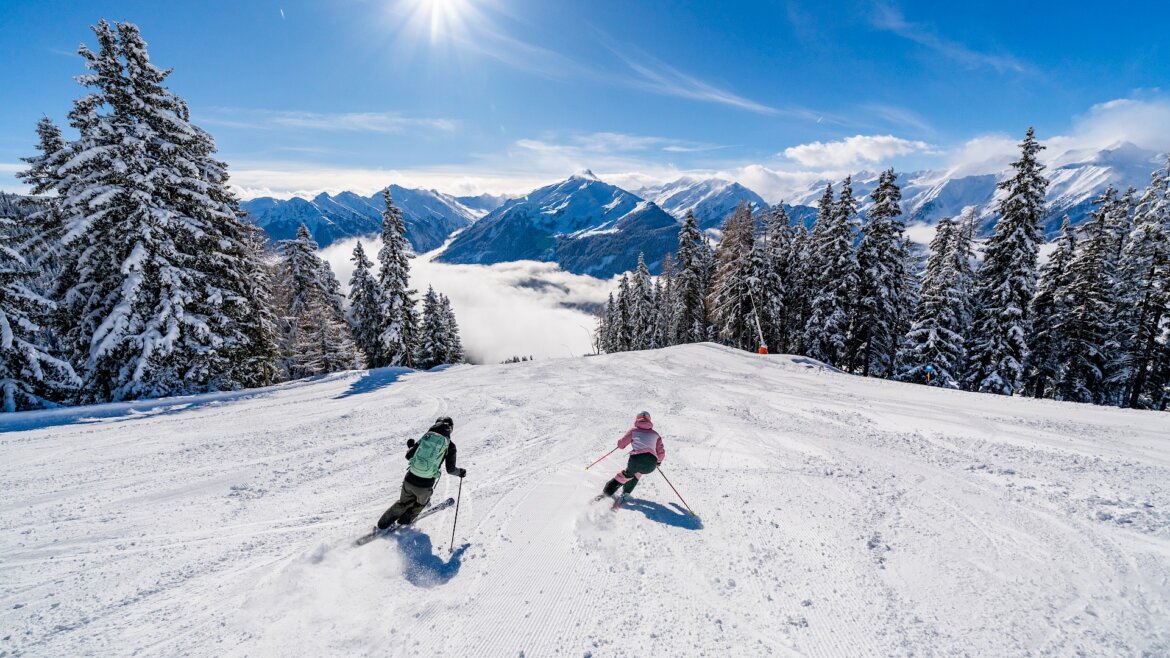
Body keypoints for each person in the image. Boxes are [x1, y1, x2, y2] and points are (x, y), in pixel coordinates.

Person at [376, 416, 466, 530]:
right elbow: (451, 469)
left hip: (409, 479)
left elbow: (409, 456)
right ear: (451, 428)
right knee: (420, 504)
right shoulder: (450, 446)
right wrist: (461, 472)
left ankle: (381, 525)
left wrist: (411, 447)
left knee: (403, 503)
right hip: (425, 485)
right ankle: (403, 523)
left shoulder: (427, 437)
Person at [602, 410, 665, 498]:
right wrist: (658, 461)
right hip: (651, 464)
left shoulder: (634, 430)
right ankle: (627, 492)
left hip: (636, 459)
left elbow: (621, 444)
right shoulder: (655, 434)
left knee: (627, 475)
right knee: (638, 472)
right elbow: (661, 452)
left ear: (637, 419)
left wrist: (620, 444)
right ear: (649, 420)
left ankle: (607, 492)